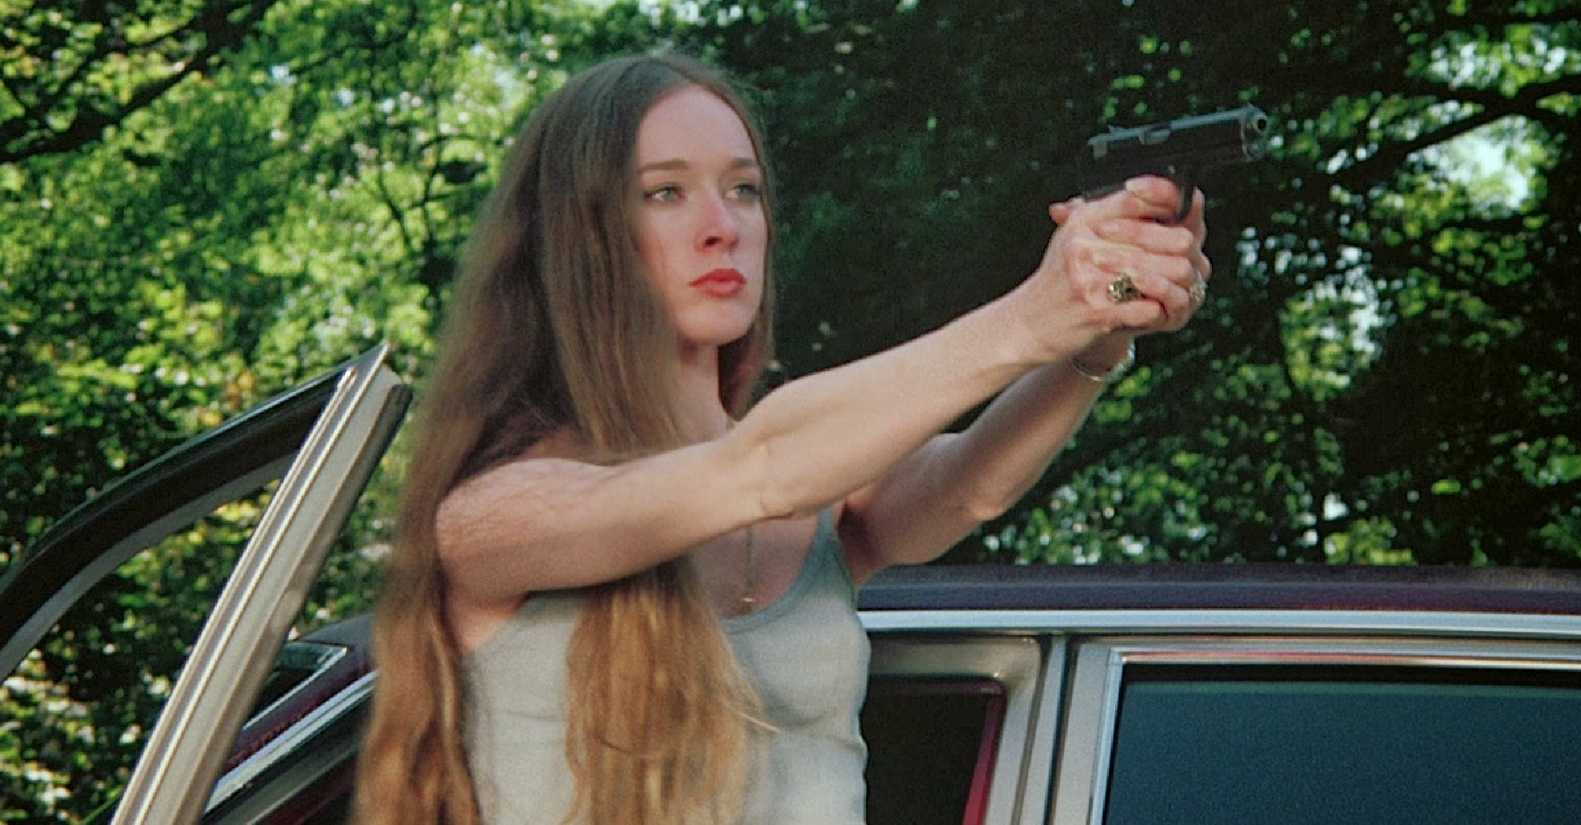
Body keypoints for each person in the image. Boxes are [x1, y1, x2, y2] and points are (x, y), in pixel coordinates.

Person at [353, 52, 1210, 825]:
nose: (722, 224)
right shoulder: (495, 512)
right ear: (581, 237)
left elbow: (968, 484)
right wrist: (1035, 313)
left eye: (744, 188)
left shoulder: (819, 493)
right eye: (665, 191)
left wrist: (1096, 334)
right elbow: (757, 468)